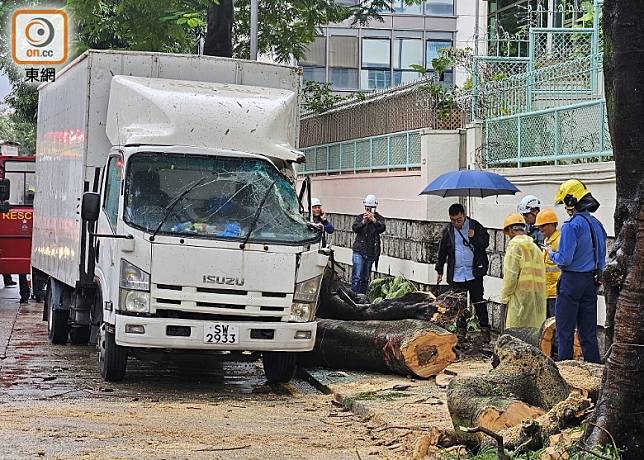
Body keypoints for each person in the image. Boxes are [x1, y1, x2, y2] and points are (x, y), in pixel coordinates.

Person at [547, 179, 606, 364]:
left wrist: (551, 253)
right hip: (591, 281)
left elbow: (565, 259)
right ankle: (594, 369)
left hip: (571, 281)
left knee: (565, 330)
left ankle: (565, 371)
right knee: (588, 331)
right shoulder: (597, 224)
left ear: (571, 201)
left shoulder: (571, 226)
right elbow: (602, 257)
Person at [435, 203, 490, 341]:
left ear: (464, 215)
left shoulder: (475, 226)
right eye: (453, 220)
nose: (456, 223)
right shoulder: (448, 231)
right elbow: (442, 251)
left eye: (459, 220)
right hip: (457, 273)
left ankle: (484, 329)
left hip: (474, 271)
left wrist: (474, 237)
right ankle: (461, 331)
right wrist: (439, 269)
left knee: (478, 301)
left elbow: (485, 243)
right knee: (459, 303)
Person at [500, 213, 547, 329]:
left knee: (517, 335)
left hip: (520, 299)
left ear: (511, 230)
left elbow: (510, 278)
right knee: (534, 335)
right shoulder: (535, 248)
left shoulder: (514, 247)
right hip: (537, 298)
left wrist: (504, 298)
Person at [351, 194, 386, 294]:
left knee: (365, 277)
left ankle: (362, 296)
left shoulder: (380, 218)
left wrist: (374, 220)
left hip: (371, 251)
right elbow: (355, 228)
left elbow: (382, 229)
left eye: (371, 208)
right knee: (357, 276)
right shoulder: (360, 217)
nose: (369, 211)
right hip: (359, 250)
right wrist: (363, 222)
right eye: (367, 208)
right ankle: (354, 296)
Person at [534, 209, 561, 318]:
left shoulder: (559, 241)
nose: (540, 230)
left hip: (556, 292)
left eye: (543, 226)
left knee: (555, 323)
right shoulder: (547, 241)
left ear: (552, 225)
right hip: (547, 291)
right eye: (539, 227)